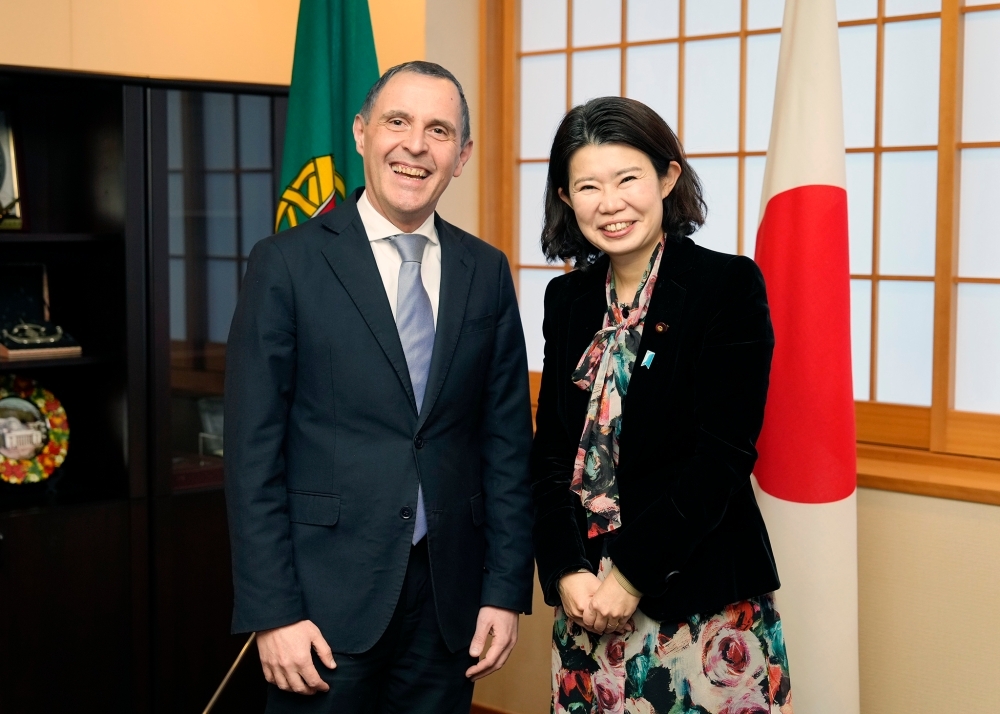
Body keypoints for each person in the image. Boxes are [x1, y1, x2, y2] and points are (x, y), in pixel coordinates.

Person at [224, 61, 535, 714]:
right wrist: (272, 611)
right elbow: (252, 452)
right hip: (321, 603)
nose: (416, 145)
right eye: (398, 121)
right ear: (362, 132)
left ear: (462, 156)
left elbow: (506, 444)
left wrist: (504, 592)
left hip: (448, 602)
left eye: (439, 130)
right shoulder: (286, 263)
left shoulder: (484, 270)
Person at [530, 96, 794, 714]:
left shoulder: (725, 286)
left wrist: (629, 575)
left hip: (697, 606)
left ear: (668, 177)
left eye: (628, 179)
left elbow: (722, 457)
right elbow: (548, 455)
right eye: (588, 186)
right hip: (587, 604)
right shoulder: (566, 300)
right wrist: (567, 570)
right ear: (566, 199)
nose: (610, 202)